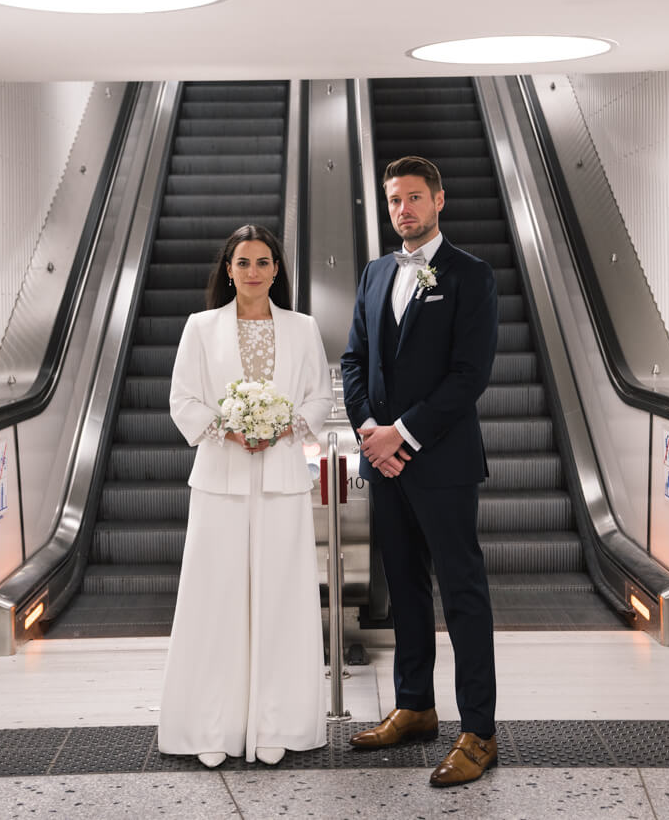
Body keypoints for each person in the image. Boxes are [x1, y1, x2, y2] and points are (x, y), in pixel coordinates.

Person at [341, 155, 499, 787]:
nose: (402, 210)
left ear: (438, 200)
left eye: (412, 198)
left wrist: (401, 435)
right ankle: (414, 706)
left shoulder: (471, 276)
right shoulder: (377, 272)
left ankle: (479, 731)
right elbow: (354, 359)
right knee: (402, 586)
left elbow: (470, 375)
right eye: (393, 200)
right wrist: (369, 434)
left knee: (462, 594)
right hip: (386, 463)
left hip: (443, 462)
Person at [158, 224, 333, 768]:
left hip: (281, 474)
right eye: (243, 263)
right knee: (216, 596)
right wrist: (225, 428)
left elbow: (321, 394)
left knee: (282, 597)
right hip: (220, 476)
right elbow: (182, 397)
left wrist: (286, 425)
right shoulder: (200, 327)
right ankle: (213, 724)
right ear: (228, 271)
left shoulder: (303, 329)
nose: (253, 272)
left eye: (262, 262)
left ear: (276, 270)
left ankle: (274, 722)